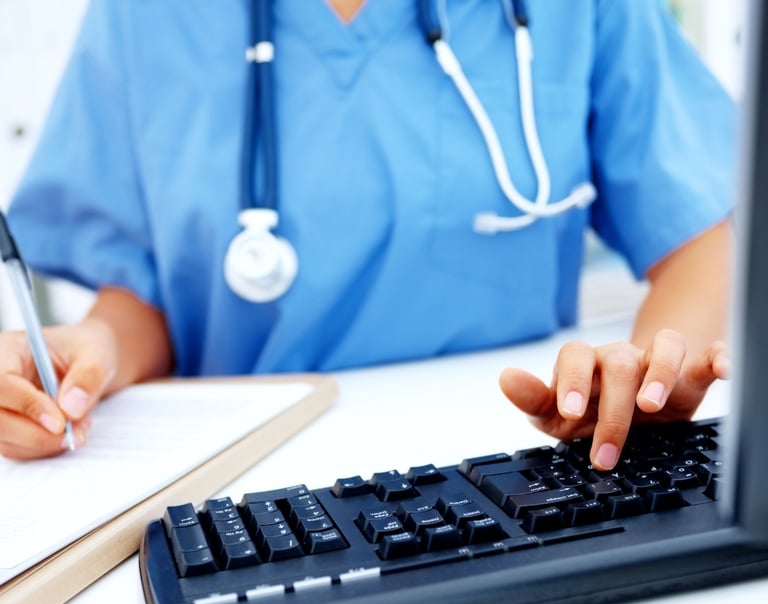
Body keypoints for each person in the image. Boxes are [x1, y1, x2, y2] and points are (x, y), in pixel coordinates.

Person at [0, 0, 735, 467]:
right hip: (252, 487)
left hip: (533, 459)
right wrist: (91, 354)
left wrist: (636, 384)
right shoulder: (145, 17)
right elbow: (149, 293)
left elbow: (702, 236)